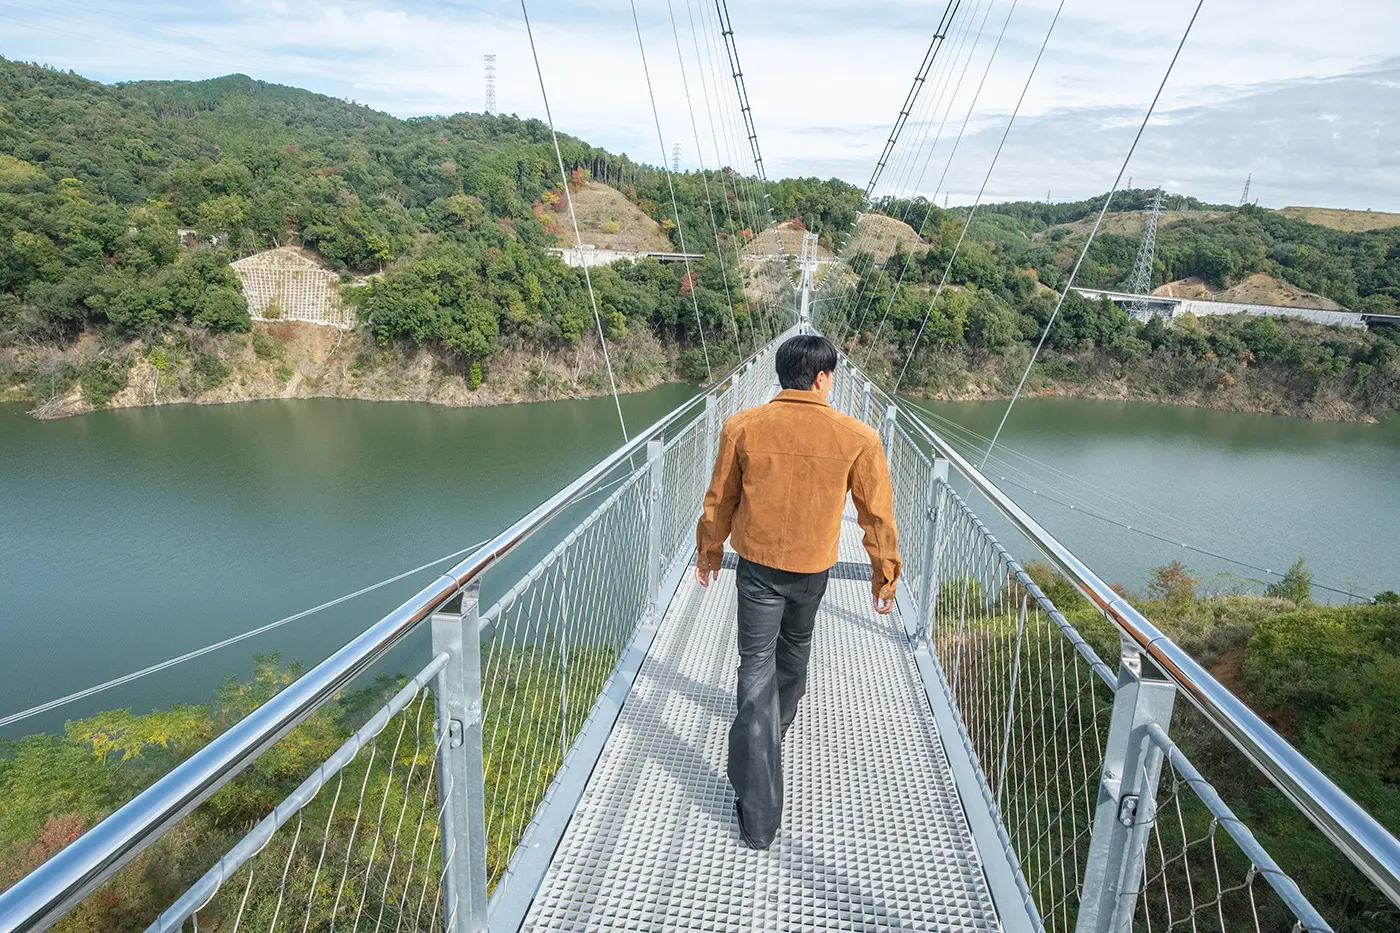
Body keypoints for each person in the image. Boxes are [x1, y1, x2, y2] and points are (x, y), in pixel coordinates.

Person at [694, 333, 901, 850]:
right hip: (813, 572)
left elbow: (720, 499)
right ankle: (770, 735)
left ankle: (758, 810)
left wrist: (709, 552)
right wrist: (885, 575)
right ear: (823, 379)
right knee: (794, 655)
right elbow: (876, 514)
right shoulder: (858, 435)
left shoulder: (742, 425)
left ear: (783, 374)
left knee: (754, 668)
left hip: (757, 570)